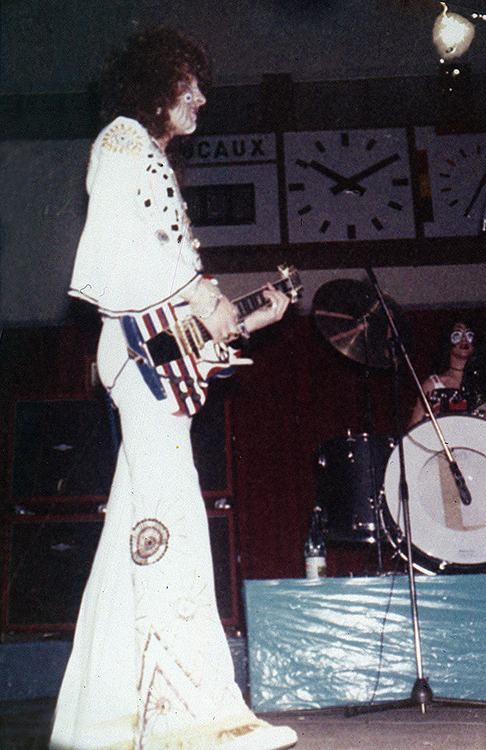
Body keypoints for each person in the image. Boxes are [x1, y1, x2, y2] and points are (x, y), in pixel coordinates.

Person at [49, 26, 297, 750]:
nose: (201, 99)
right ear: (157, 85)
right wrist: (202, 294)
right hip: (140, 363)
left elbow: (171, 298)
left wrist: (240, 315)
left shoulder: (144, 155)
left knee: (136, 528)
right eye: (189, 85)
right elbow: (132, 260)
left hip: (148, 358)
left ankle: (102, 721)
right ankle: (193, 720)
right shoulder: (124, 141)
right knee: (173, 522)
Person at [408, 317, 476, 428]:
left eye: (468, 335)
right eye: (457, 335)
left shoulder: (480, 382)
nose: (464, 339)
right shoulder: (433, 384)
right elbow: (414, 426)